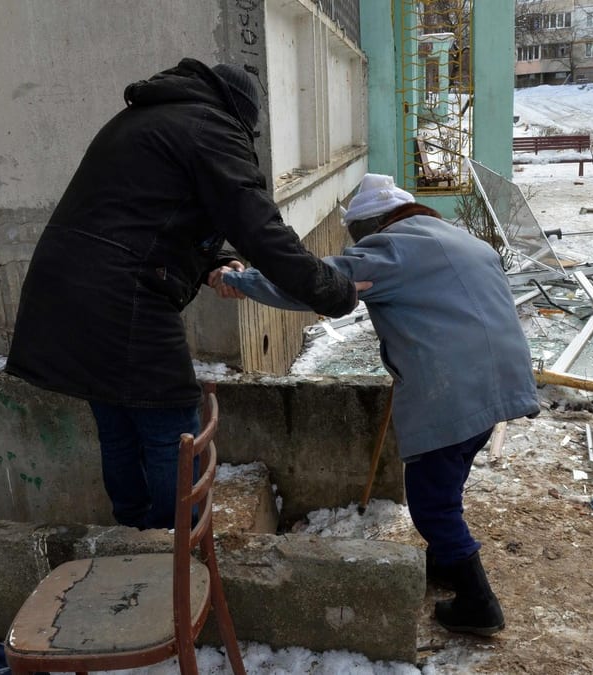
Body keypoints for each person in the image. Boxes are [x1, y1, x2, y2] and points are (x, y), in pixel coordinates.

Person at [5, 58, 362, 530]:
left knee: (116, 422)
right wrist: (335, 293)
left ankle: (132, 537)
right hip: (122, 296)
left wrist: (211, 260)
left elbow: (146, 215)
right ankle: (170, 546)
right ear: (243, 117)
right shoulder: (211, 127)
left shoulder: (148, 117)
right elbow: (262, 230)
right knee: (172, 425)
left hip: (66, 289)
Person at [220, 173, 540, 636]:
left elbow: (317, 285)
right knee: (448, 481)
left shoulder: (392, 249)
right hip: (499, 378)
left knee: (432, 502)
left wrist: (243, 280)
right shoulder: (459, 238)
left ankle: (478, 604)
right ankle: (446, 563)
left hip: (453, 388)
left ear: (371, 227)